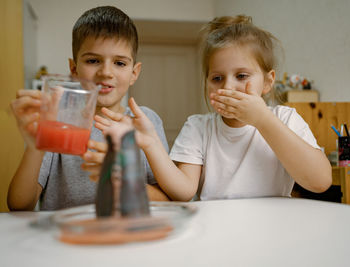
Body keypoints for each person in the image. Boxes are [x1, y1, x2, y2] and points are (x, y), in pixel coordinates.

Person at [96, 15, 332, 201]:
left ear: (268, 82)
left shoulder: (285, 117)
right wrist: (150, 143)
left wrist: (262, 119)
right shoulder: (199, 127)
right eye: (217, 78)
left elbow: (320, 181)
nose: (228, 87)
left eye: (241, 75)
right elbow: (184, 191)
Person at [8, 6, 170, 211]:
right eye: (93, 61)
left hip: (128, 237)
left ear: (134, 73)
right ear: (74, 69)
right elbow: (19, 205)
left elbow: (169, 201)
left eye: (119, 63)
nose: (106, 72)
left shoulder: (146, 121)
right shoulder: (55, 121)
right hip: (66, 238)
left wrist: (124, 182)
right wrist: (34, 148)